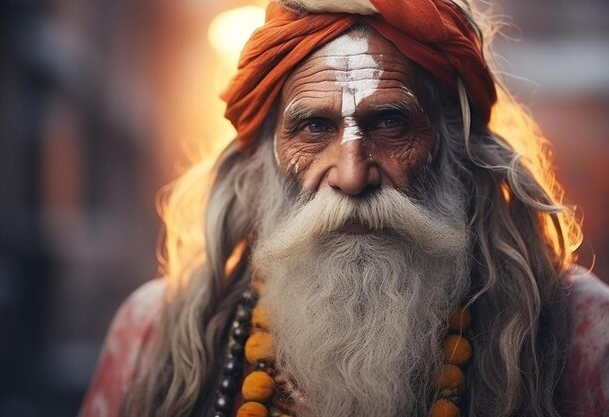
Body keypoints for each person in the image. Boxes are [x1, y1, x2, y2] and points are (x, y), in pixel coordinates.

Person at [79, 1, 609, 417]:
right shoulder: (150, 336)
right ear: (263, 159)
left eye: (390, 124)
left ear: (455, 149)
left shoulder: (584, 333)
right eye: (313, 128)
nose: (352, 175)